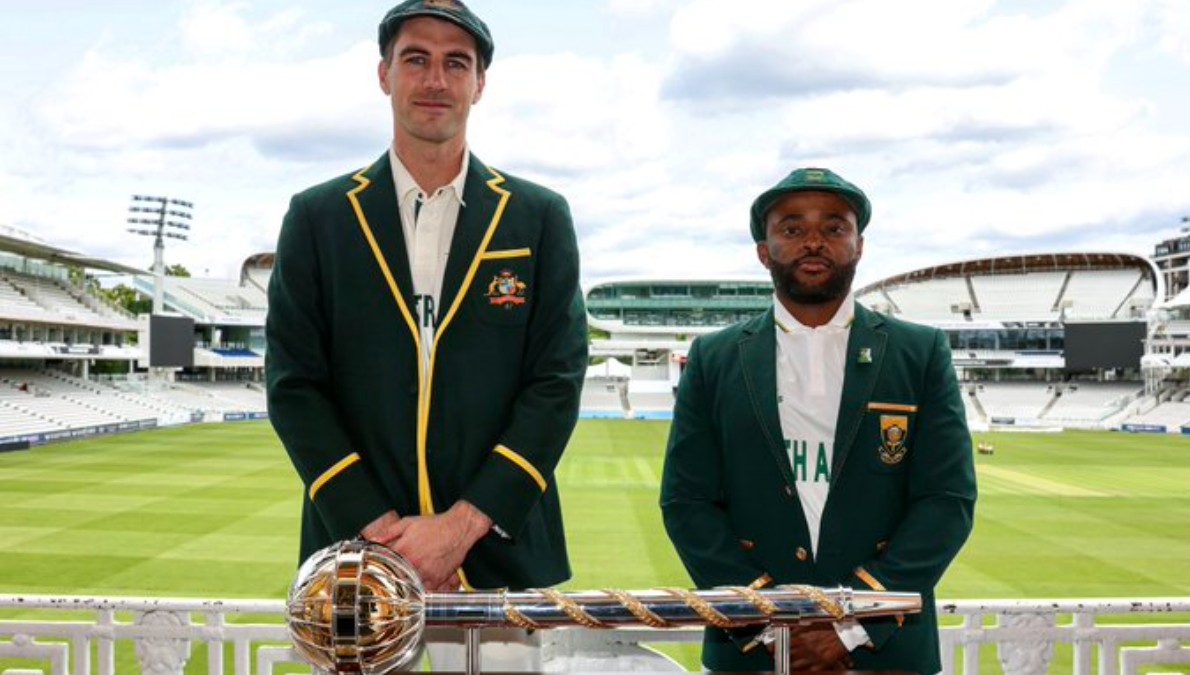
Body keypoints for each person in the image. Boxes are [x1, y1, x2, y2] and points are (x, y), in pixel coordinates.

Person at [267, 0, 587, 611]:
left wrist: (461, 527)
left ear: (480, 83)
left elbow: (557, 381)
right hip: (356, 555)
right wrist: (379, 530)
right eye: (416, 59)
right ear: (384, 74)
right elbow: (293, 384)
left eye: (456, 63)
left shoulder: (540, 215)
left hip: (503, 554)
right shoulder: (317, 216)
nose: (436, 80)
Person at [660, 168, 976, 674]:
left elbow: (947, 501)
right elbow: (687, 503)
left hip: (887, 652)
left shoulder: (919, 352)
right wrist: (769, 621)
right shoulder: (713, 357)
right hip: (753, 652)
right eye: (791, 228)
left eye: (834, 227)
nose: (813, 241)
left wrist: (853, 626)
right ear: (763, 251)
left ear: (859, 245)